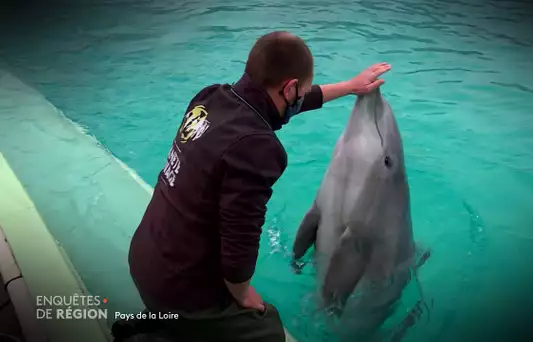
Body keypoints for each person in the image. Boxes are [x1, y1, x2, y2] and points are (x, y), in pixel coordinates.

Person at [116, 31, 391, 342]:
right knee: (267, 330)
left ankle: (160, 321)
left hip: (144, 254)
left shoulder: (210, 98)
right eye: (300, 92)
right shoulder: (258, 147)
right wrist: (243, 293)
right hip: (176, 284)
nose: (300, 98)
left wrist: (349, 87)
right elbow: (239, 240)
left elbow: (294, 100)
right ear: (289, 88)